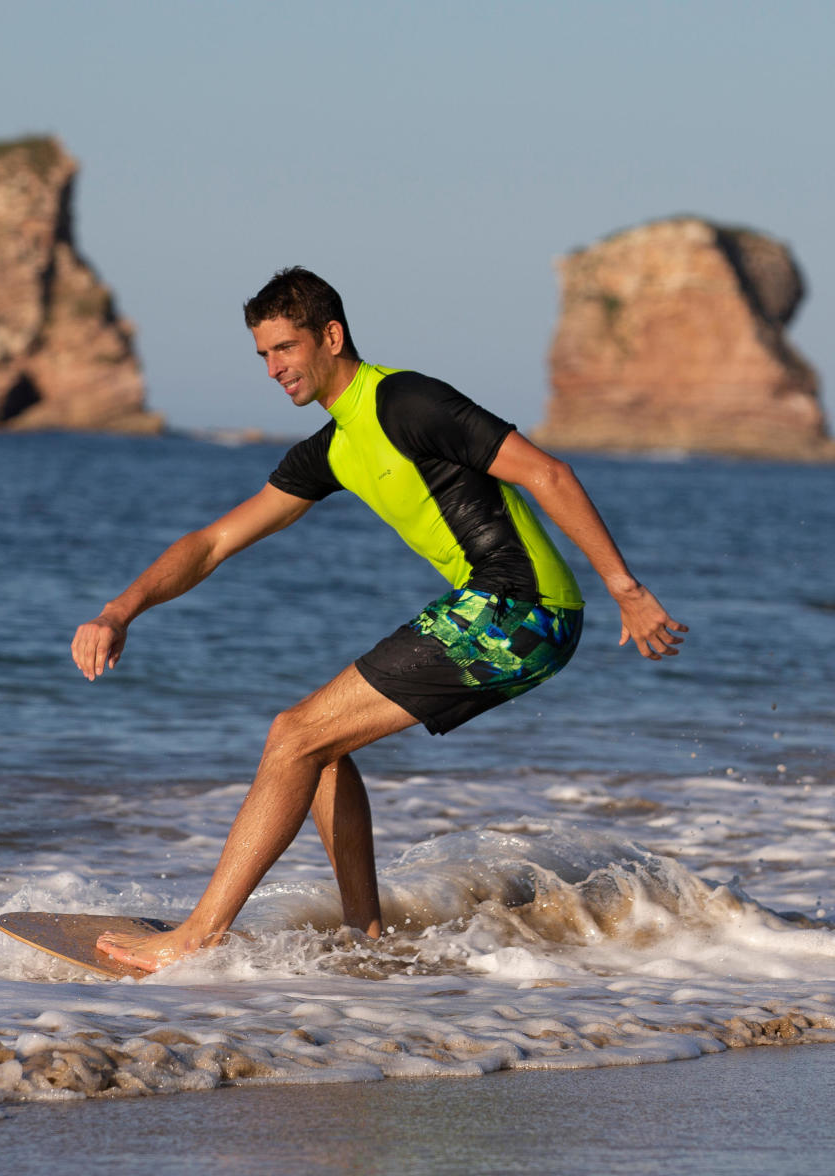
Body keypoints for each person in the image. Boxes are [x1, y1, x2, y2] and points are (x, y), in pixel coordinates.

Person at [71, 267, 686, 971]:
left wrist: (626, 590)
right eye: (263, 356)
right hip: (495, 612)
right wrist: (121, 609)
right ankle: (367, 937)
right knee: (317, 747)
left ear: (330, 336)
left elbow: (548, 474)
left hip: (520, 611)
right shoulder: (334, 446)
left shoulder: (406, 401)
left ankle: (197, 936)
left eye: (285, 348)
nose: (274, 369)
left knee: (292, 735)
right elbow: (214, 541)